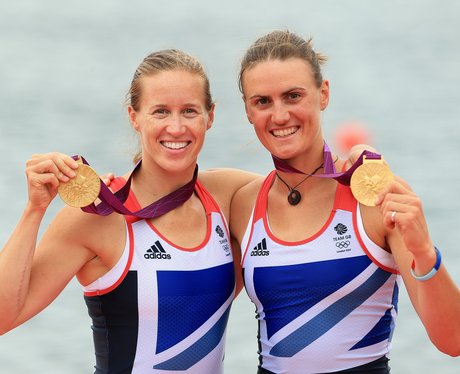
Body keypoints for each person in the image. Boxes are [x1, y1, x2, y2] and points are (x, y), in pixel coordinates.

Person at [0, 49, 262, 373]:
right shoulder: (97, 217)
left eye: (190, 111)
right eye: (161, 112)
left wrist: (346, 167)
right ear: (134, 116)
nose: (176, 127)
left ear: (210, 115)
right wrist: (33, 210)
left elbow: (307, 189)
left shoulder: (230, 195)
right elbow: (4, 316)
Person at [230, 30, 460, 374]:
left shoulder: (377, 197)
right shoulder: (241, 203)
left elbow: (452, 341)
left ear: (323, 94)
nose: (279, 116)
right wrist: (118, 188)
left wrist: (425, 253)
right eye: (262, 101)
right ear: (248, 110)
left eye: (293, 96)